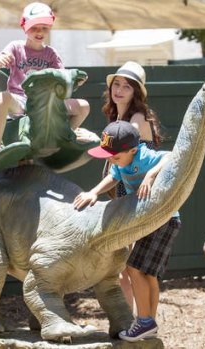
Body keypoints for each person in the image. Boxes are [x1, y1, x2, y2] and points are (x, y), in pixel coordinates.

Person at [73, 121, 180, 342]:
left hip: (163, 220)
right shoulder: (121, 160)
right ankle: (148, 322)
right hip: (148, 221)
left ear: (133, 150)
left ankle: (143, 322)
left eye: (115, 156)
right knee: (148, 273)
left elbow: (171, 156)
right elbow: (114, 175)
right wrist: (93, 192)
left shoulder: (144, 156)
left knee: (133, 268)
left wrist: (150, 175)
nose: (112, 160)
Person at [101, 61, 169, 316]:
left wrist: (148, 179)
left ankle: (143, 321)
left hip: (140, 199)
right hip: (123, 195)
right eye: (116, 84)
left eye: (126, 87)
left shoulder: (138, 119)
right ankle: (129, 322)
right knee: (122, 269)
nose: (119, 90)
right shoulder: (117, 116)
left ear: (135, 93)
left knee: (135, 268)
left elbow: (151, 159)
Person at [0, 2, 90, 159]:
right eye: (34, 27)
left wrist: (75, 81)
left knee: (83, 106)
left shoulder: (51, 54)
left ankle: (66, 136)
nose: (39, 32)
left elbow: (62, 78)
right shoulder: (15, 47)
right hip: (20, 100)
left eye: (44, 28)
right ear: (24, 27)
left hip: (46, 101)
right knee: (2, 97)